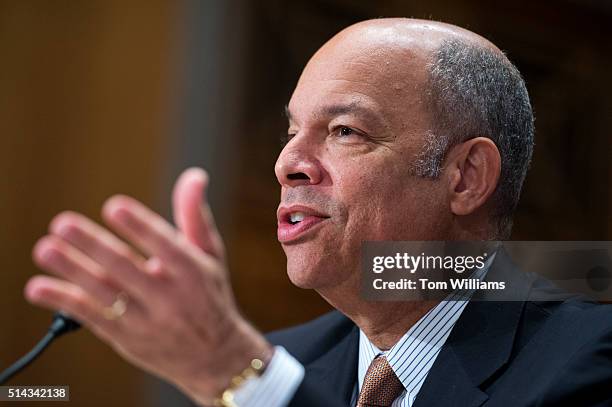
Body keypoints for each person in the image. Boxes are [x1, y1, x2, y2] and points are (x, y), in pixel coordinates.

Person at [23, 18, 612, 406]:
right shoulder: (295, 360)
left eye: (344, 130)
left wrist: (245, 377)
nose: (287, 164)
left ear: (465, 177)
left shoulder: (586, 363)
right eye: (290, 131)